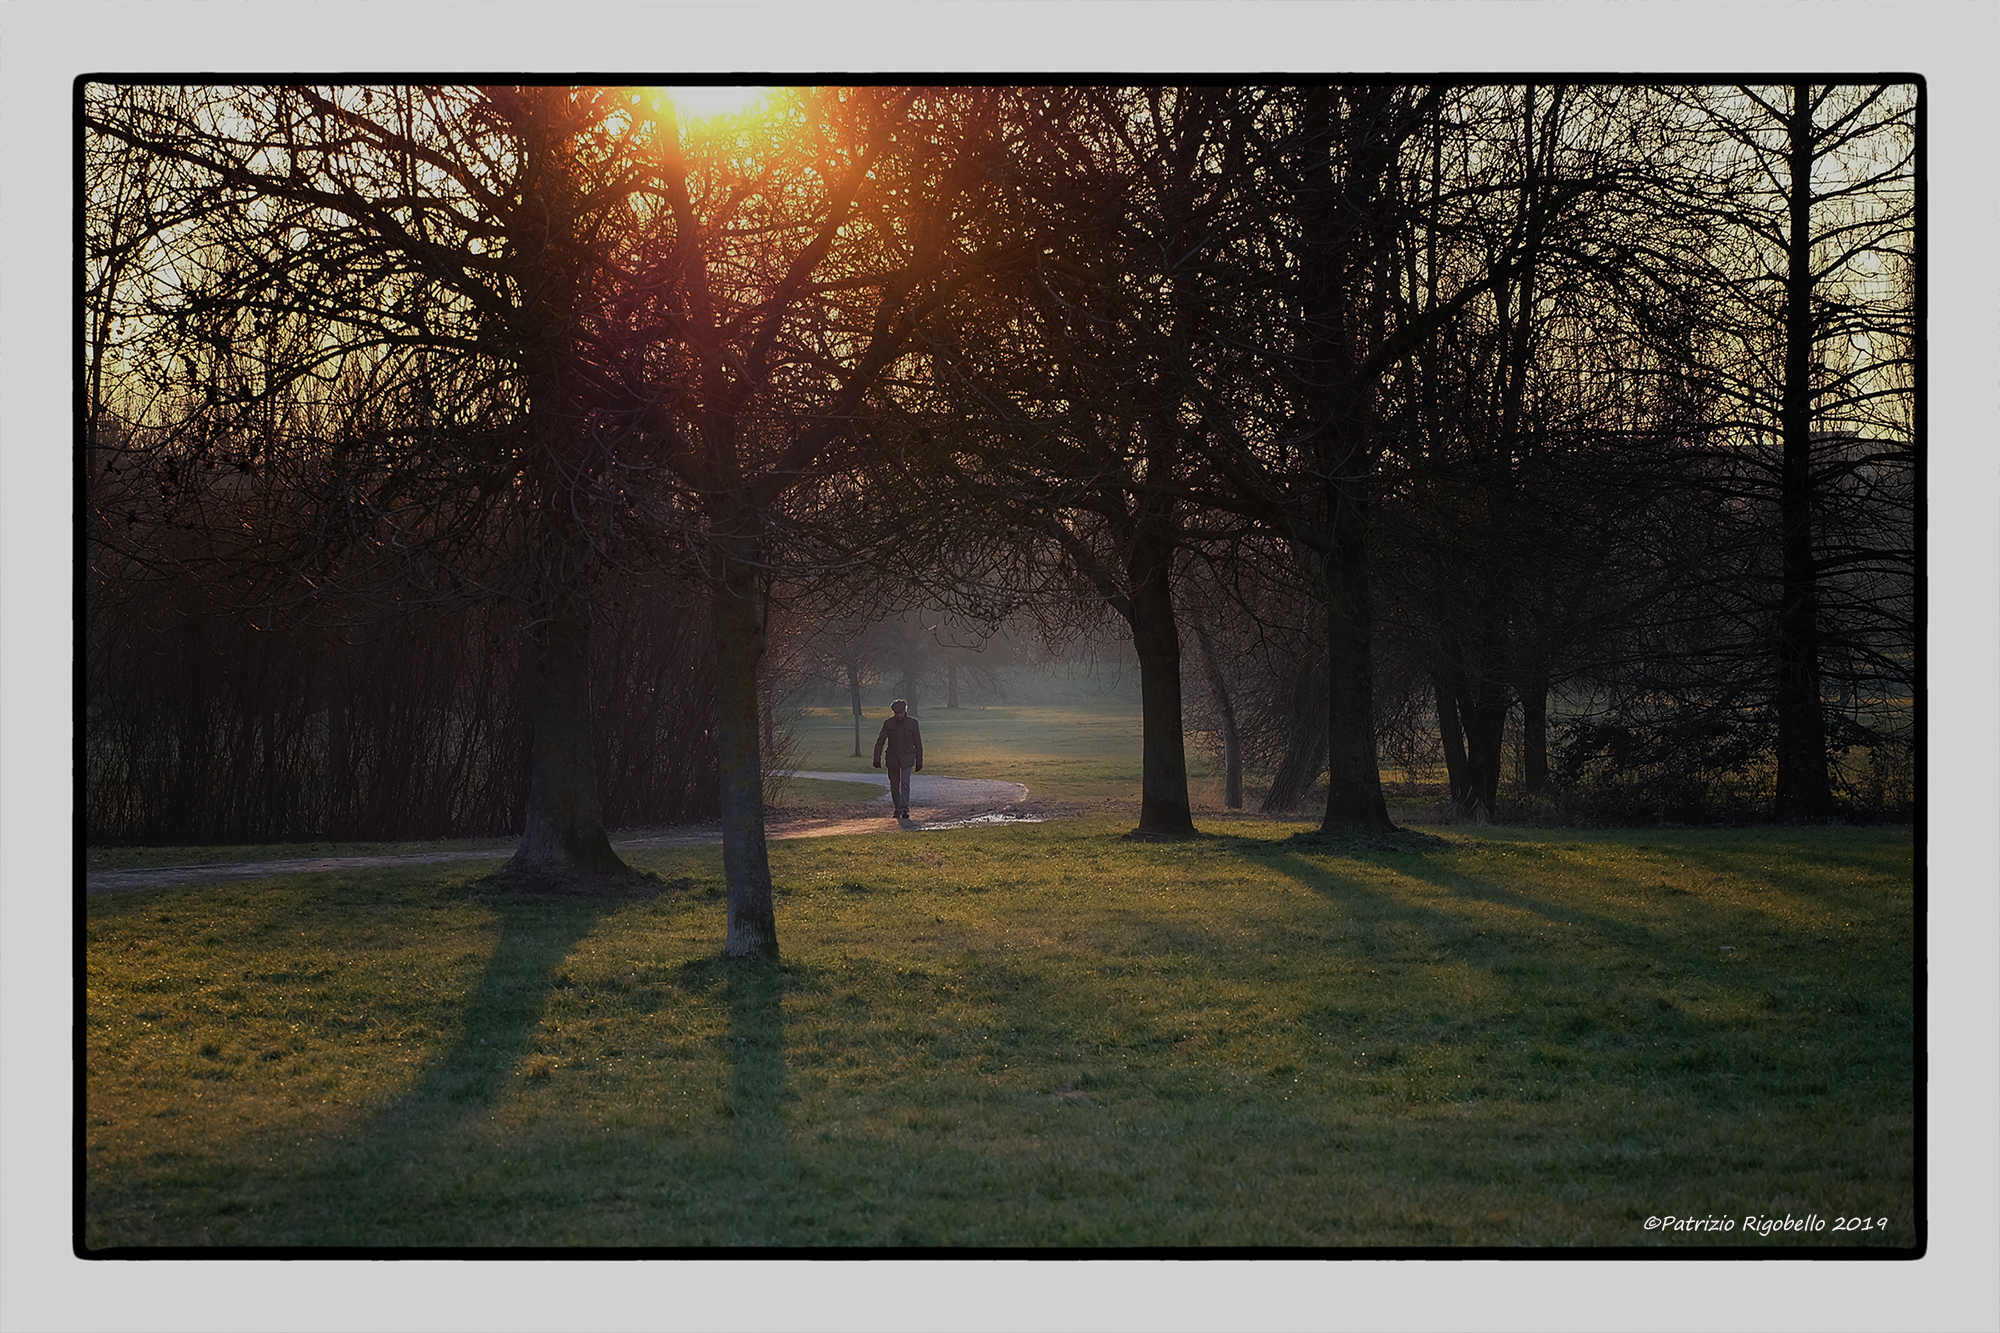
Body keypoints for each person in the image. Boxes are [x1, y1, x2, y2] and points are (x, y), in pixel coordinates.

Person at [871, 698, 923, 820]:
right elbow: (880, 741)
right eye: (896, 713)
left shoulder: (913, 723)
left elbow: (918, 743)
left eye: (900, 712)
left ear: (905, 711)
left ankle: (905, 809)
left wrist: (919, 761)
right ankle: (897, 808)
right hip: (892, 758)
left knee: (905, 783)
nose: (898, 715)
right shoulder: (888, 724)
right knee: (894, 785)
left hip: (907, 757)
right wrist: (876, 758)